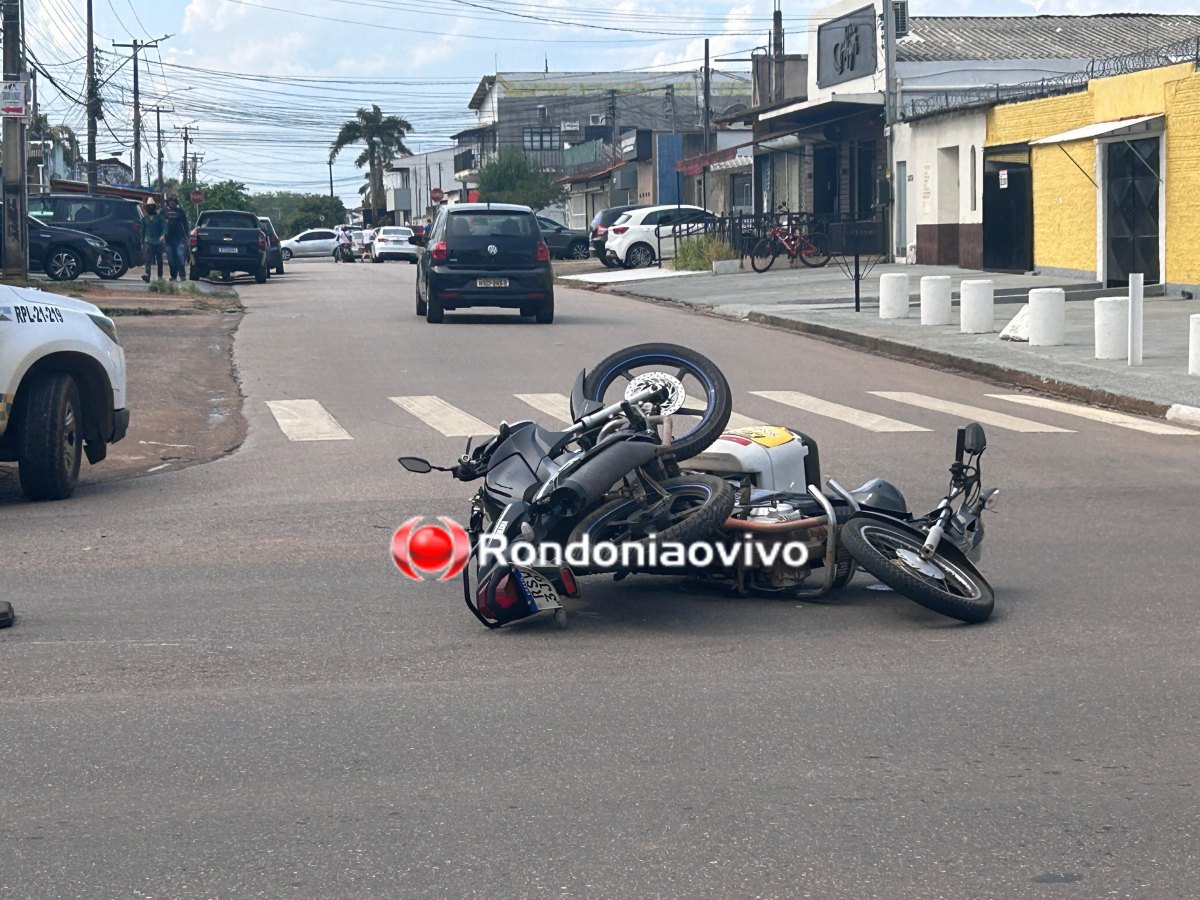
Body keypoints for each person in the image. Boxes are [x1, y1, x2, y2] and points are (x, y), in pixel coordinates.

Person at [162, 195, 190, 281]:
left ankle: (182, 275)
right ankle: (173, 276)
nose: (172, 202)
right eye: (170, 201)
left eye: (173, 201)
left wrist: (187, 236)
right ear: (168, 202)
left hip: (179, 238)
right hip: (168, 238)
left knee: (180, 256)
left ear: (176, 202)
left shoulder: (181, 212)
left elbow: (185, 224)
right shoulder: (163, 212)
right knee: (170, 258)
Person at [141, 198, 167, 282]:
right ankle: (147, 274)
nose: (151, 208)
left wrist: (163, 235)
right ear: (147, 208)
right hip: (148, 241)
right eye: (149, 206)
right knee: (148, 259)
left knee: (159, 259)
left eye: (152, 206)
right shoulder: (144, 219)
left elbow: (164, 228)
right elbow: (142, 231)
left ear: (155, 207)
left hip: (158, 241)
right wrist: (142, 243)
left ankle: (160, 276)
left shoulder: (160, 218)